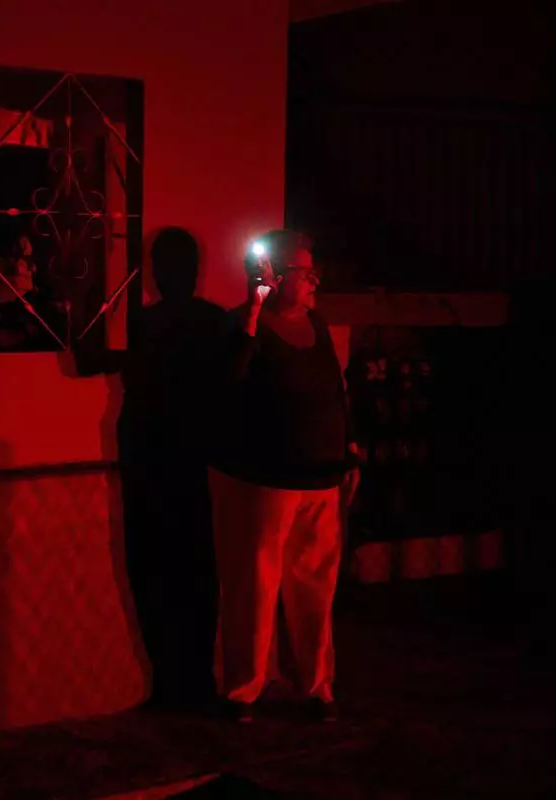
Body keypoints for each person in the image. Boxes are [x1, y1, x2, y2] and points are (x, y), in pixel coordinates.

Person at [208, 229, 360, 723]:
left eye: (313, 270)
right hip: (269, 480)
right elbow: (227, 380)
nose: (314, 280)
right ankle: (243, 690)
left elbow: (336, 390)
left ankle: (315, 687)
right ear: (274, 275)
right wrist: (253, 312)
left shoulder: (317, 324)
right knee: (256, 583)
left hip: (320, 478)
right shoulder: (244, 327)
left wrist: (348, 450)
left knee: (315, 586)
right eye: (303, 271)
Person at [116, 227, 226, 712]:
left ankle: (171, 681)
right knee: (195, 574)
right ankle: (194, 681)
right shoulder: (212, 322)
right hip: (190, 461)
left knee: (156, 572)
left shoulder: (143, 323)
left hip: (151, 461)